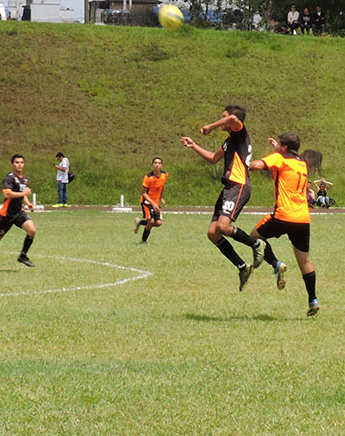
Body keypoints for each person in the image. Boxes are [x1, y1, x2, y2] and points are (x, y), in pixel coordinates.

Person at [180, 105, 264, 290]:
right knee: (213, 233)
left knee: (223, 226)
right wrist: (193, 145)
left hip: (239, 185)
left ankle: (256, 244)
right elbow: (212, 158)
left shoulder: (240, 133)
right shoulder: (229, 141)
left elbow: (233, 119)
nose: (223, 120)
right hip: (229, 187)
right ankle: (242, 267)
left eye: (223, 117)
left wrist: (211, 126)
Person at [248, 133, 321, 316]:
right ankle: (313, 299)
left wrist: (240, 160)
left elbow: (255, 166)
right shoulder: (302, 164)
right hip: (302, 218)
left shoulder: (279, 158)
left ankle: (275, 264)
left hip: (283, 215)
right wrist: (277, 150)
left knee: (254, 237)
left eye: (279, 144)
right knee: (305, 260)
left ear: (284, 148)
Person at [133, 157, 168, 243]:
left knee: (158, 223)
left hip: (155, 202)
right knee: (151, 221)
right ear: (153, 165)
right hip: (146, 201)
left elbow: (162, 186)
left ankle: (140, 222)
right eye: (155, 163)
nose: (157, 165)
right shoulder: (148, 177)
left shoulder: (165, 175)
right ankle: (143, 240)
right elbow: (144, 193)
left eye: (159, 163)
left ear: (161, 165)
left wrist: (161, 197)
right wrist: (152, 203)